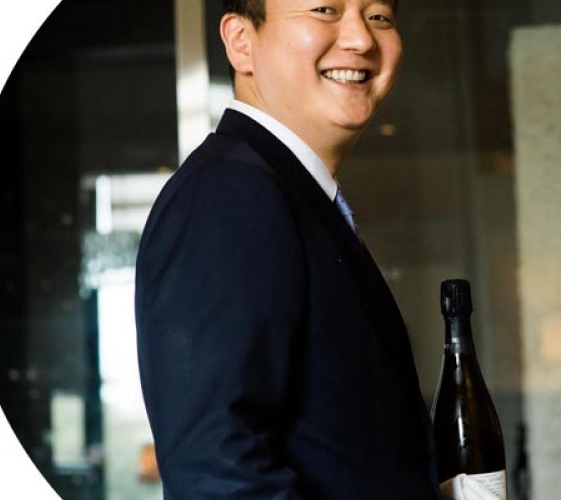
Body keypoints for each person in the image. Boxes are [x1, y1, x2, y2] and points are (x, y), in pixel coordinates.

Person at [135, 0, 441, 498]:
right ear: (240, 41)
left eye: (379, 16)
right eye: (325, 10)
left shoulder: (295, 196)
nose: (361, 39)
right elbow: (218, 475)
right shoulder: (229, 194)